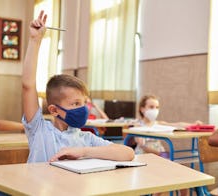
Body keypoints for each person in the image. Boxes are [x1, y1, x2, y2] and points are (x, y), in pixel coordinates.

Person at [22, 11, 134, 163]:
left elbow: (128, 154)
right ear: (54, 110)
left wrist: (83, 151)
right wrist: (35, 40)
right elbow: (28, 85)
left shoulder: (85, 138)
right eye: (75, 104)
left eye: (83, 103)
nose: (83, 109)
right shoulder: (39, 130)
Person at [134, 95, 203, 156]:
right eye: (151, 107)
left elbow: (176, 125)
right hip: (145, 155)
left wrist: (194, 124)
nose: (155, 110)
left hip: (159, 155)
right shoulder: (138, 125)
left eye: (157, 107)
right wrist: (160, 154)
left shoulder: (158, 124)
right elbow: (142, 145)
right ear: (142, 109)